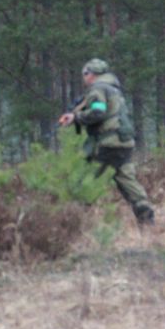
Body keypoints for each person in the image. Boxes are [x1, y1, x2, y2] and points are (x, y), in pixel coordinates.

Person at [59, 59, 155, 225]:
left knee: (86, 179)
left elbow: (98, 112)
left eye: (85, 74)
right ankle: (147, 219)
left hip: (108, 143)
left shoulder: (98, 89)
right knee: (126, 178)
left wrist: (76, 117)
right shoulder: (114, 90)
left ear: (92, 74)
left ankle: (74, 222)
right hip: (124, 142)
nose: (84, 78)